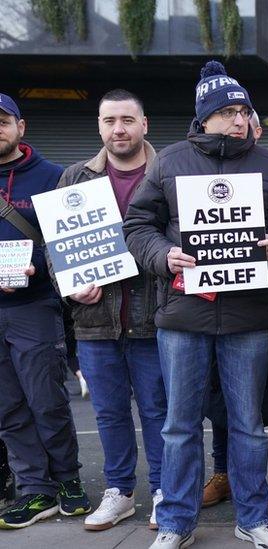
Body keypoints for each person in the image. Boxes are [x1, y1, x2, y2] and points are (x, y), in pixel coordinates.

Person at [123, 61, 268, 549]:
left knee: (248, 425)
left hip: (249, 316)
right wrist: (162, 255)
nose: (240, 120)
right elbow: (138, 227)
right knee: (179, 425)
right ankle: (175, 523)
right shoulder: (169, 162)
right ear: (205, 117)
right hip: (183, 315)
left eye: (244, 111)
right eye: (228, 112)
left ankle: (253, 517)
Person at [56, 88, 167, 532]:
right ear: (99, 126)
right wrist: (70, 287)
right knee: (108, 411)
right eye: (109, 121)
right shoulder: (75, 178)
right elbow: (56, 246)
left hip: (154, 317)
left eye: (126, 120)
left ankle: (164, 491)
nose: (118, 129)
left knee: (160, 411)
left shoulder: (169, 173)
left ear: (145, 124)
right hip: (95, 321)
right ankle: (119, 492)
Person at [0, 92, 92, 529]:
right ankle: (34, 490)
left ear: (21, 127)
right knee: (8, 408)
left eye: (2, 121)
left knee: (46, 400)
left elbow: (73, 239)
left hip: (34, 306)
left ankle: (69, 481)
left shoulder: (54, 176)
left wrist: (41, 262)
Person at [203, 110, 268, 512]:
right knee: (222, 395)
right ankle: (222, 473)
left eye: (253, 124)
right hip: (220, 300)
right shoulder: (210, 176)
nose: (245, 129)